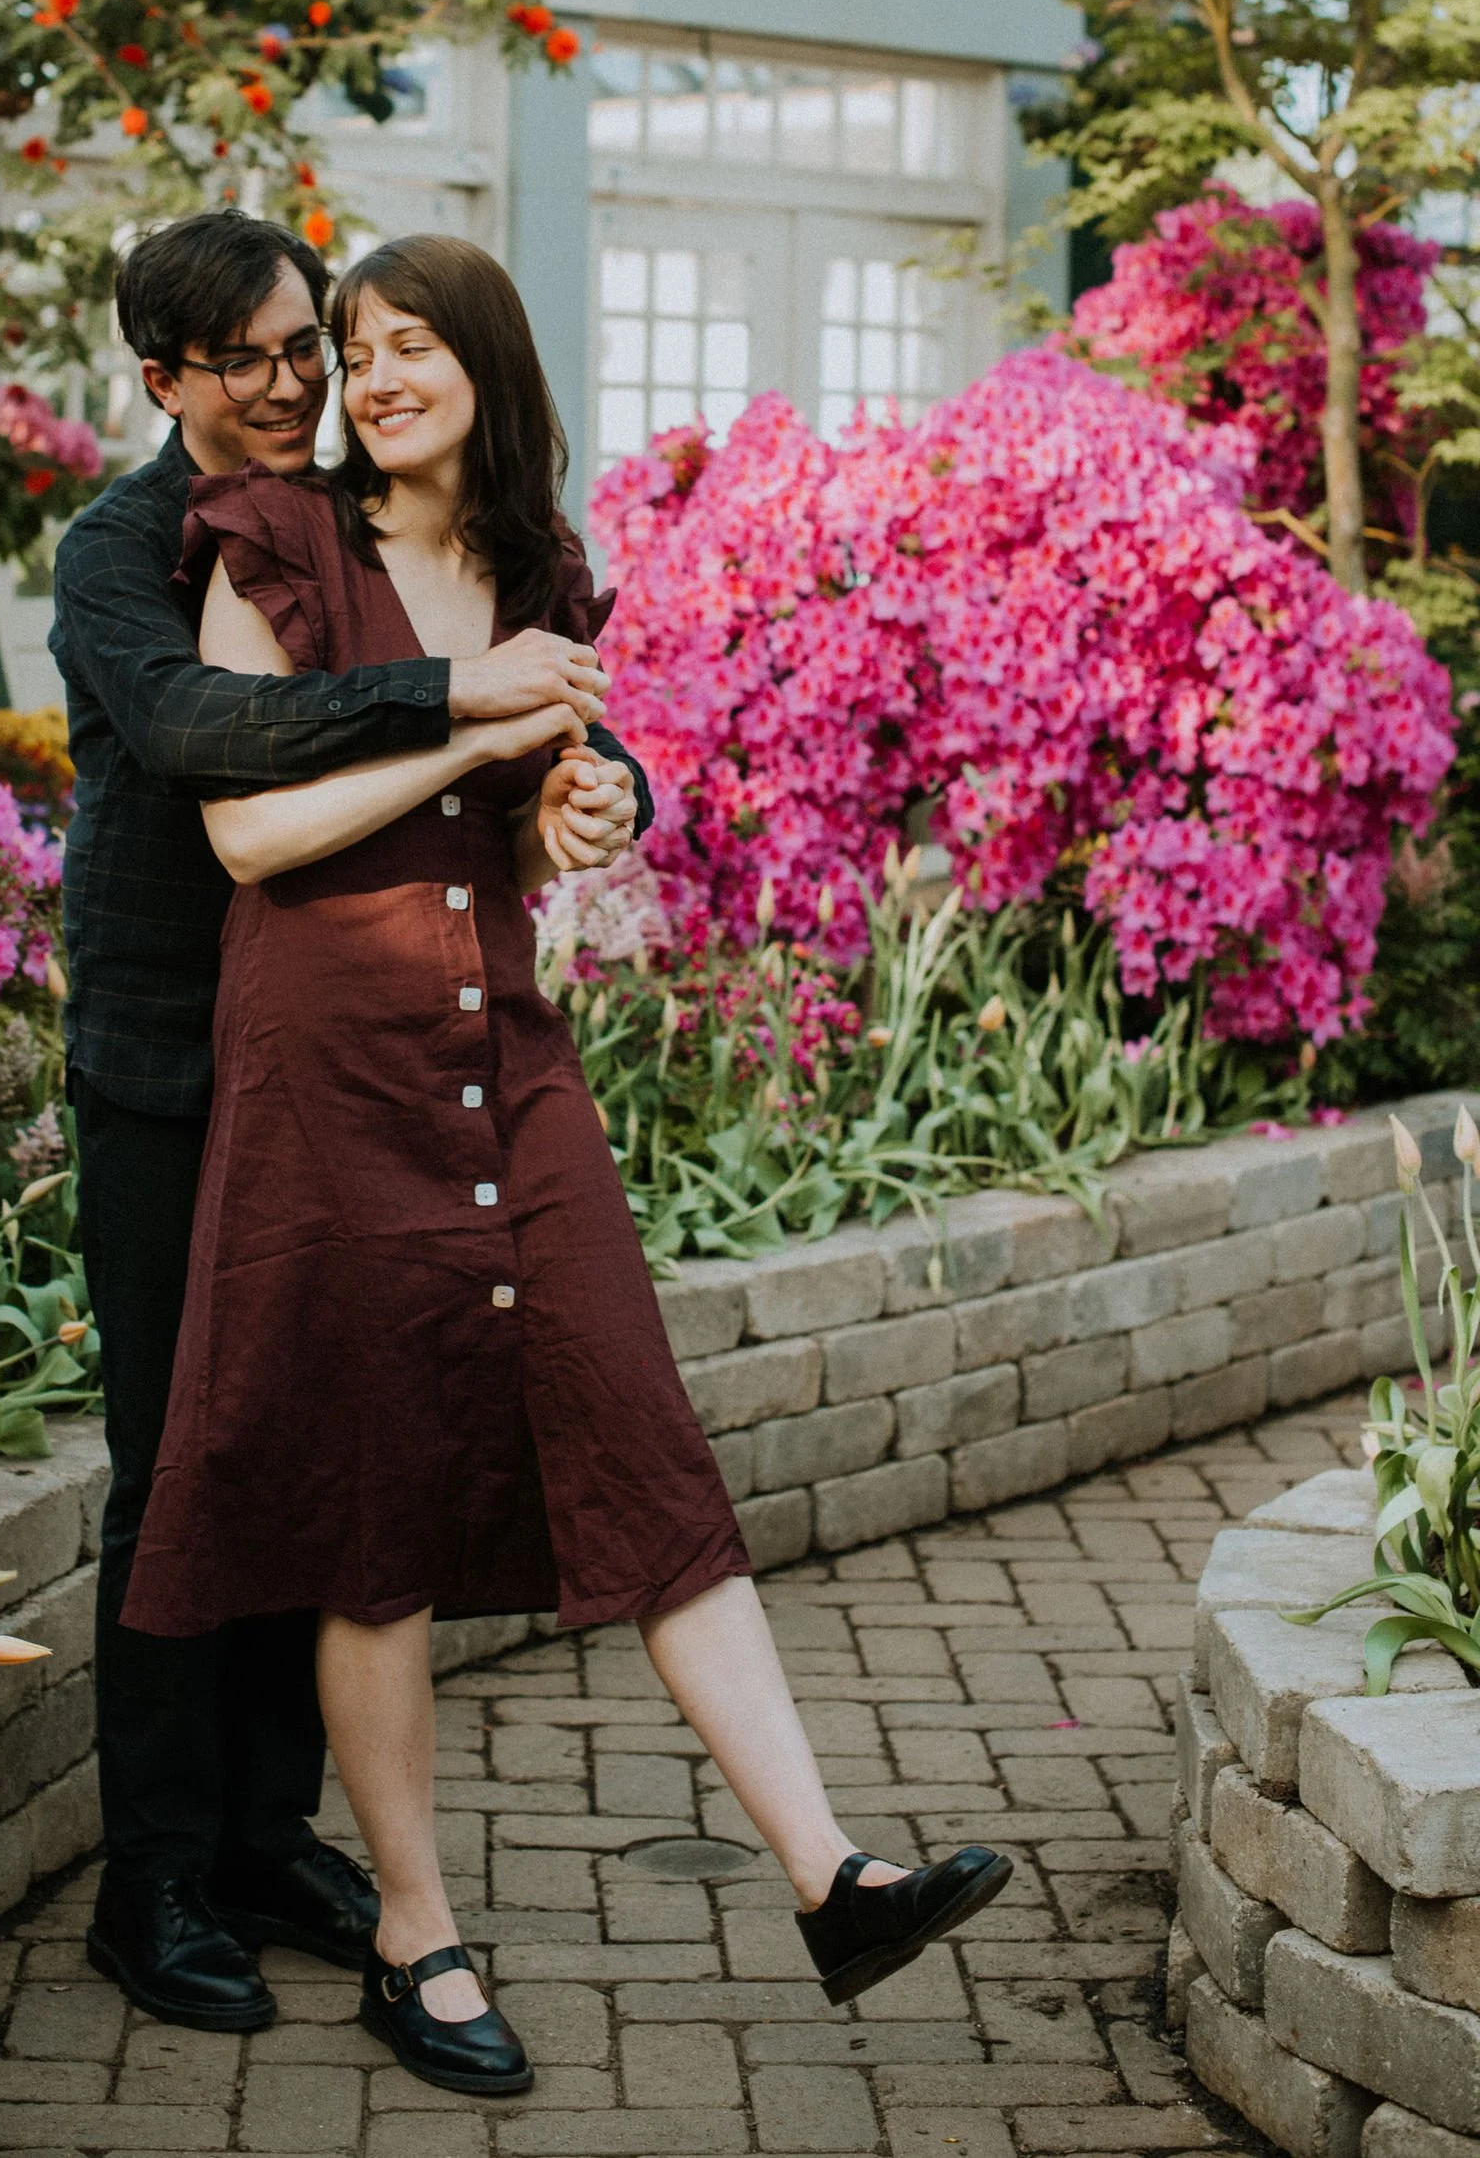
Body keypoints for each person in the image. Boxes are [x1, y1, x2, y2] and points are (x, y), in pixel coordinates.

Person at [123, 234, 1011, 2099]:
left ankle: (831, 1875)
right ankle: (414, 1934)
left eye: (409, 348)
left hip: (500, 1059)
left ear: (489, 366)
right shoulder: (274, 544)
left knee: (641, 1435)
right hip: (329, 1078)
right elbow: (250, 835)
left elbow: (514, 841)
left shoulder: (539, 575)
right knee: (380, 1523)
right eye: (356, 353)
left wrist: (569, 806)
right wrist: (469, 713)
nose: (371, 380)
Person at [49, 210, 650, 2036]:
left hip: (340, 1067)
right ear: (163, 380)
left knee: (312, 1454)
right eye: (256, 359)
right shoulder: (124, 548)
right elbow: (202, 730)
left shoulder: (345, 513)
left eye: (311, 341)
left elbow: (522, 665)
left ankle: (264, 1837)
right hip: (168, 1063)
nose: (306, 380)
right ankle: (152, 1879)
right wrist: (459, 700)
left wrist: (601, 768)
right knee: (182, 1466)